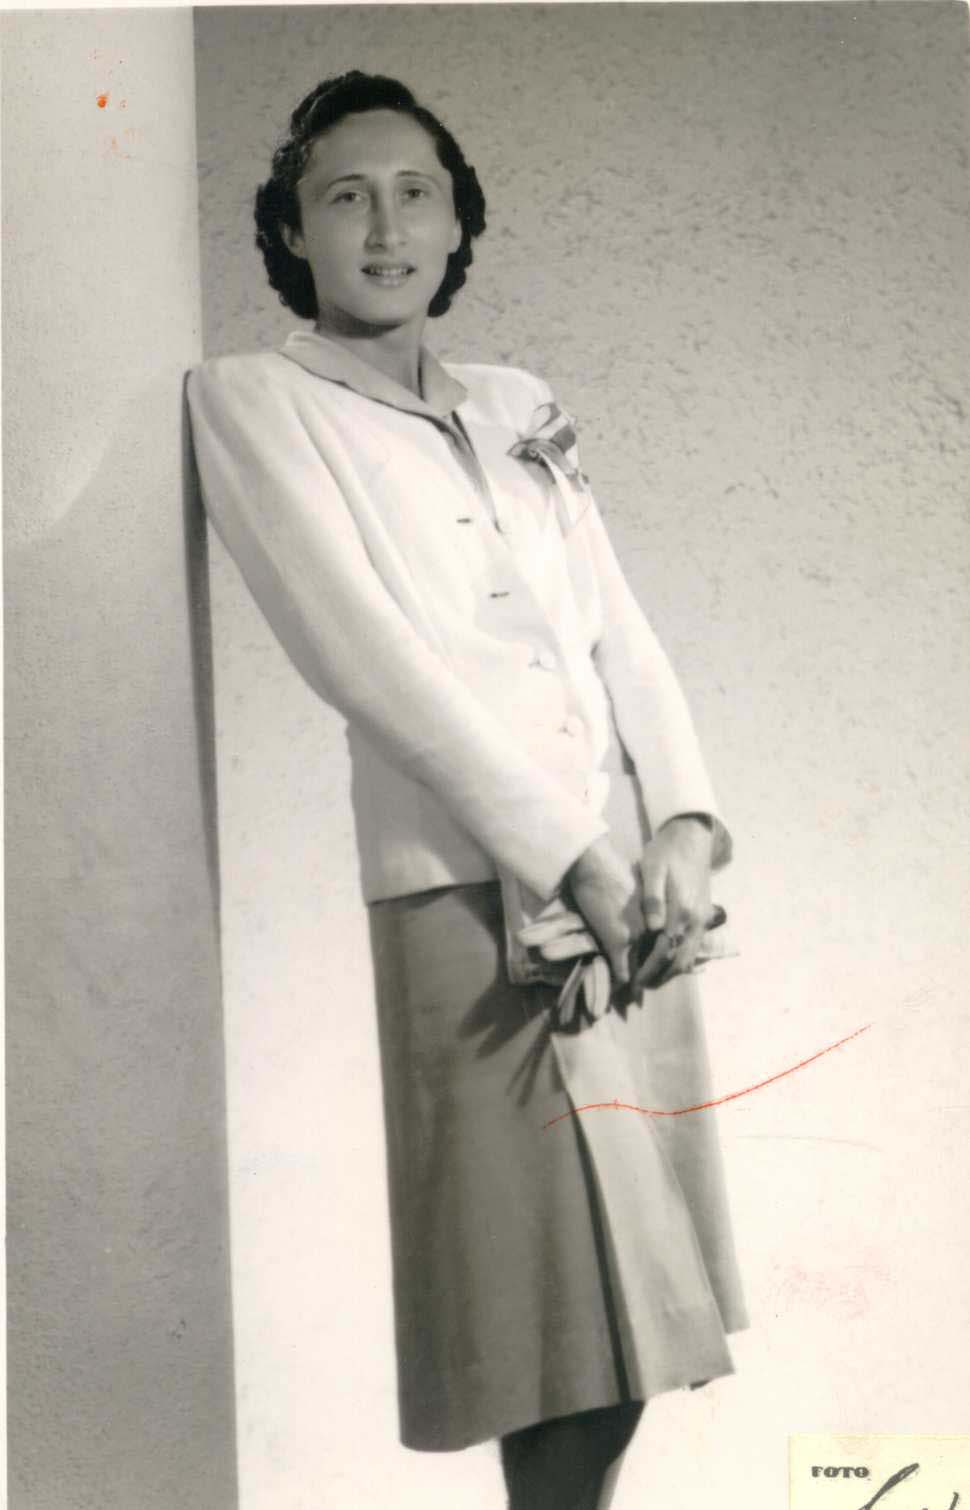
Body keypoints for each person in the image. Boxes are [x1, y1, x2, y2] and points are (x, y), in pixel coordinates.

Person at [187, 70, 747, 1510]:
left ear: (456, 222)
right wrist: (575, 860)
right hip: (469, 888)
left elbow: (615, 623)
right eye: (345, 197)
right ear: (292, 231)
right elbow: (362, 658)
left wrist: (682, 826)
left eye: (416, 193)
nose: (386, 229)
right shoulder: (252, 402)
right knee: (547, 1325)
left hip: (624, 883)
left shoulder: (518, 403)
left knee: (636, 1315)